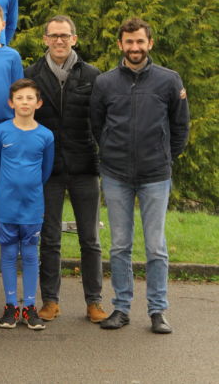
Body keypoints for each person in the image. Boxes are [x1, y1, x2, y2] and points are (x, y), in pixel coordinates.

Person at [91, 18, 189, 334]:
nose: (135, 48)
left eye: (140, 42)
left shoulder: (169, 81)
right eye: (129, 42)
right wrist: (110, 152)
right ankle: (121, 308)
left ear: (150, 43)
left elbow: (180, 127)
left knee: (155, 247)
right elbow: (97, 125)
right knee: (120, 245)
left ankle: (158, 311)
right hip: (116, 174)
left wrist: (164, 156)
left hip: (155, 175)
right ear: (120, 44)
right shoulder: (105, 83)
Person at [24, 15, 106, 323]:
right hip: (49, 169)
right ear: (45, 39)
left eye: (65, 35)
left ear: (74, 39)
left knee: (90, 239)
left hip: (85, 166)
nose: (59, 40)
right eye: (54, 35)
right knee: (50, 237)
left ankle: (94, 302)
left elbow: (101, 122)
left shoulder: (93, 75)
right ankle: (51, 301)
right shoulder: (31, 75)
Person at [0, 78, 55, 331]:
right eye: (20, 98)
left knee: (30, 254)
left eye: (30, 98)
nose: (25, 102)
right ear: (11, 103)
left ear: (38, 103)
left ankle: (29, 306)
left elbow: (45, 171)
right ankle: (10, 306)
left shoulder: (45, 135)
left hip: (32, 205)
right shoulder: (1, 131)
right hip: (7, 204)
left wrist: (29, 188)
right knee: (7, 254)